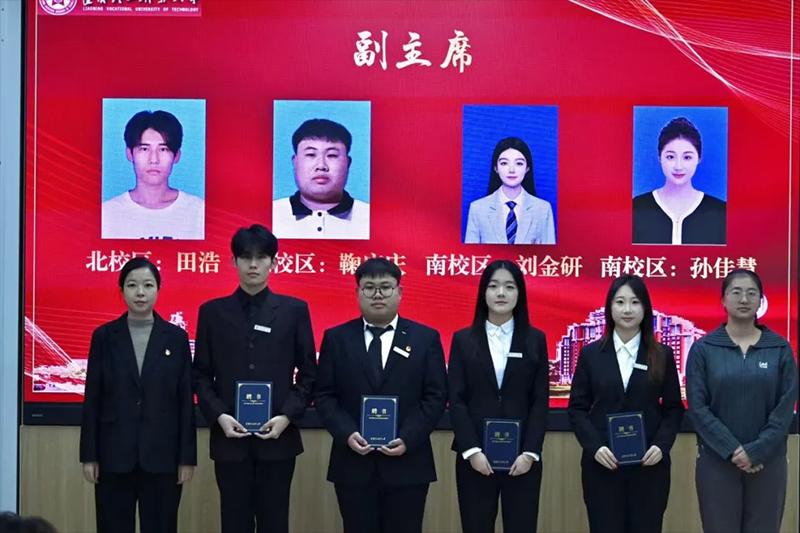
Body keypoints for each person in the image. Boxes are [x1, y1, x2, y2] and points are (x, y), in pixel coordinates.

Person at [192, 224, 316, 533]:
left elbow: (309, 374)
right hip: (229, 440)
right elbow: (201, 375)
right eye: (246, 257)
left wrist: (286, 416)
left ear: (274, 262)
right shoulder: (212, 312)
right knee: (234, 523)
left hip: (278, 439)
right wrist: (219, 415)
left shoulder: (293, 311)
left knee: (275, 522)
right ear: (233, 261)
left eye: (261, 257)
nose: (253, 264)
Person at [315, 257, 447, 533]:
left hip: (408, 463)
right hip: (353, 464)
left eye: (386, 287)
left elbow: (435, 396)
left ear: (400, 292)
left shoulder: (425, 338)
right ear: (357, 292)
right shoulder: (337, 338)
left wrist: (408, 437)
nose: (377, 294)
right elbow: (325, 395)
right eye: (369, 287)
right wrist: (347, 434)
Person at [79, 257, 196, 533]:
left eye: (148, 285)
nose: (140, 292)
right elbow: (92, 399)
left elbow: (185, 403)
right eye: (132, 285)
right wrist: (89, 455)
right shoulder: (104, 337)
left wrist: (187, 458)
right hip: (113, 455)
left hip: (163, 457)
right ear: (121, 290)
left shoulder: (176, 338)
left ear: (158, 289)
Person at [567, 275, 684, 533]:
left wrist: (661, 446)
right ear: (610, 308)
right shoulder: (591, 354)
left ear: (645, 308)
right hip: (603, 465)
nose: (627, 309)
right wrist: (595, 447)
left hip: (649, 466)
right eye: (620, 302)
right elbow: (577, 409)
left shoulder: (662, 354)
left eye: (635, 302)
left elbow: (674, 409)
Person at [687, 269, 797, 533]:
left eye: (751, 293)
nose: (744, 299)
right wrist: (733, 450)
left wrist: (756, 450)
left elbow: (785, 408)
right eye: (736, 292)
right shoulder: (704, 349)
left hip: (768, 462)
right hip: (717, 462)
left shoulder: (780, 349)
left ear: (761, 301)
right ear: (723, 300)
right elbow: (698, 407)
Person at [448, 260, 549, 533]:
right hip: (475, 458)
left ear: (520, 293)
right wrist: (472, 451)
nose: (501, 293)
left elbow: (540, 401)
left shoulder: (535, 340)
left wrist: (530, 452)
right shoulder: (463, 340)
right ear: (483, 292)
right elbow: (456, 400)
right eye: (493, 286)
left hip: (522, 459)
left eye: (509, 286)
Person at [101, 110, 204, 240]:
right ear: (129, 154)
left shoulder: (199, 212)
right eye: (144, 149)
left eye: (163, 149)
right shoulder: (107, 213)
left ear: (177, 155)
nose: (154, 160)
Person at [632, 116, 726, 244]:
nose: (678, 166)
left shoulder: (720, 211)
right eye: (670, 157)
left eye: (687, 157)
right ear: (660, 157)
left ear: (699, 158)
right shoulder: (636, 207)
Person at [272, 118, 369, 239]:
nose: (321, 166)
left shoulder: (369, 217)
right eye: (311, 155)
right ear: (295, 162)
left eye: (332, 155)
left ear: (348, 163)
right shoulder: (271, 214)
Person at [464, 137, 555, 245]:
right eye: (504, 163)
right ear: (496, 168)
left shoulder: (543, 209)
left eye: (519, 163)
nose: (511, 170)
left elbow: (549, 253)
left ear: (527, 168)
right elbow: (470, 254)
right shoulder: (478, 209)